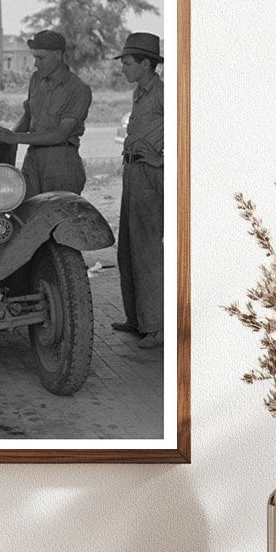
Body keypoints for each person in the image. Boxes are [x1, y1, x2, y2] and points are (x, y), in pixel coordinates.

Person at [111, 32, 165, 350]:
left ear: (146, 63)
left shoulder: (163, 93)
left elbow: (189, 129)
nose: (123, 69)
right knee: (128, 250)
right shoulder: (140, 93)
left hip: (150, 175)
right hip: (132, 174)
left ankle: (156, 328)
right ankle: (137, 320)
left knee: (147, 252)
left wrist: (160, 158)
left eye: (128, 63)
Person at [0, 29, 91, 197]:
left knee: (59, 216)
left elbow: (60, 135)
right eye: (35, 57)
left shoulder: (79, 89)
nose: (36, 63)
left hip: (61, 164)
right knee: (27, 215)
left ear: (58, 55)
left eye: (41, 58)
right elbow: (28, 115)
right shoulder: (36, 79)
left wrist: (15, 138)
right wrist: (6, 138)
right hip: (33, 161)